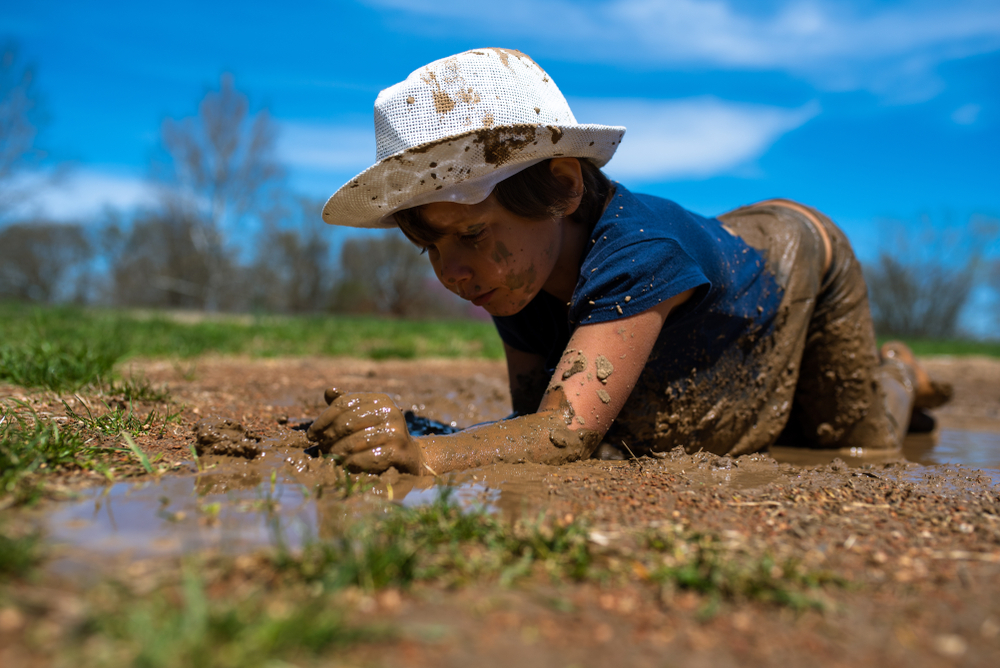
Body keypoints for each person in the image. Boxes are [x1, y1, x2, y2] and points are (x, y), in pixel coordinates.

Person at [307, 47, 950, 475]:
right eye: (433, 244)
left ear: (562, 185)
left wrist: (421, 454)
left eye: (472, 232)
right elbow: (540, 426)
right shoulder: (517, 281)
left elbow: (565, 433)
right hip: (716, 254)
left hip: (798, 255)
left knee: (850, 442)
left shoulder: (638, 255)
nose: (452, 271)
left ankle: (895, 374)